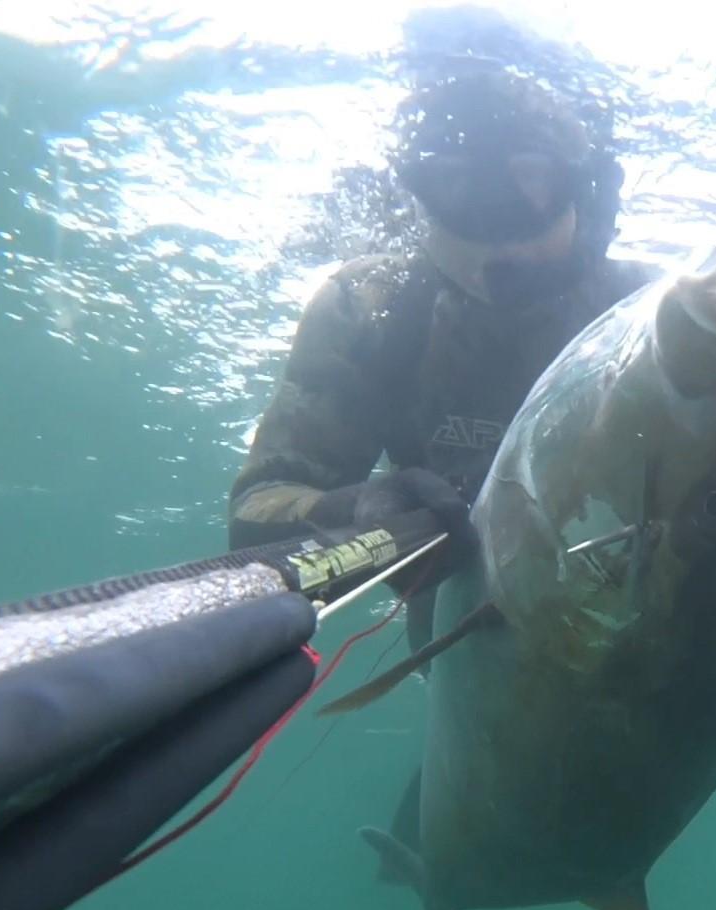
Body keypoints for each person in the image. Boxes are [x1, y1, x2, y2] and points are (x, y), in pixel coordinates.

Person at [226, 9, 661, 610]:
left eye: (532, 183)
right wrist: (353, 509)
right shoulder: (373, 308)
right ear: (417, 197)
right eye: (454, 188)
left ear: (586, 192)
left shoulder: (650, 316)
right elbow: (255, 515)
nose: (494, 234)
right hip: (466, 629)